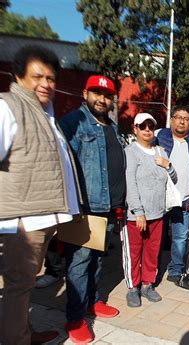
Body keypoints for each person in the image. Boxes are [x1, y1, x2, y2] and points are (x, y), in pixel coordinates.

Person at [0, 46, 80, 345]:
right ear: (18, 76)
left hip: (41, 217)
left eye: (50, 77)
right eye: (37, 76)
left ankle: (23, 332)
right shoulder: (7, 107)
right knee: (18, 286)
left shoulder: (44, 114)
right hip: (22, 221)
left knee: (24, 286)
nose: (46, 83)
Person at [59, 75, 126, 343]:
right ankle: (74, 318)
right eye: (97, 93)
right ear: (85, 93)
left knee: (97, 260)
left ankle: (92, 301)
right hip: (84, 207)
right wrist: (71, 205)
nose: (102, 99)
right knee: (79, 262)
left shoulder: (112, 127)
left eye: (107, 95)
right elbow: (64, 165)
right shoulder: (72, 122)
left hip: (108, 207)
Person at [122, 113, 177, 307]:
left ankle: (147, 284)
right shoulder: (130, 152)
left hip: (158, 213)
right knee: (134, 252)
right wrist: (138, 211)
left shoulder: (161, 152)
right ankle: (133, 287)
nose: (147, 130)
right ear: (135, 129)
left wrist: (168, 165)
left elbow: (174, 179)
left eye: (150, 126)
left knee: (152, 251)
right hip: (136, 215)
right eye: (142, 126)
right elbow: (130, 183)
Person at [155, 107, 189, 282]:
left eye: (186, 119)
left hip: (185, 198)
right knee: (157, 238)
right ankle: (153, 271)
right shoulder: (159, 137)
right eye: (178, 117)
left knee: (180, 238)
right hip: (161, 197)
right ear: (171, 120)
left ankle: (176, 270)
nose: (181, 121)